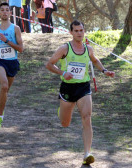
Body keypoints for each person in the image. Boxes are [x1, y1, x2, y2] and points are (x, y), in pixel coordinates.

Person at [45, 20, 115, 165]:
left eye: (81, 30)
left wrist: (104, 71)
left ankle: (87, 153)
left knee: (87, 117)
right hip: (68, 88)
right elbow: (49, 64)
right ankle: (61, 110)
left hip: (83, 87)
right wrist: (63, 72)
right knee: (65, 123)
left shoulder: (88, 49)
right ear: (71, 32)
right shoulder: (65, 48)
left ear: (84, 31)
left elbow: (95, 60)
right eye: (76, 31)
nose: (79, 33)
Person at [0, 2, 23, 129]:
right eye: (2, 10)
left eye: (7, 10)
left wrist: (7, 41)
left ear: (10, 13)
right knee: (4, 86)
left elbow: (21, 48)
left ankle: (0, 109)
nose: (4, 12)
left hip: (12, 62)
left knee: (6, 90)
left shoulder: (15, 28)